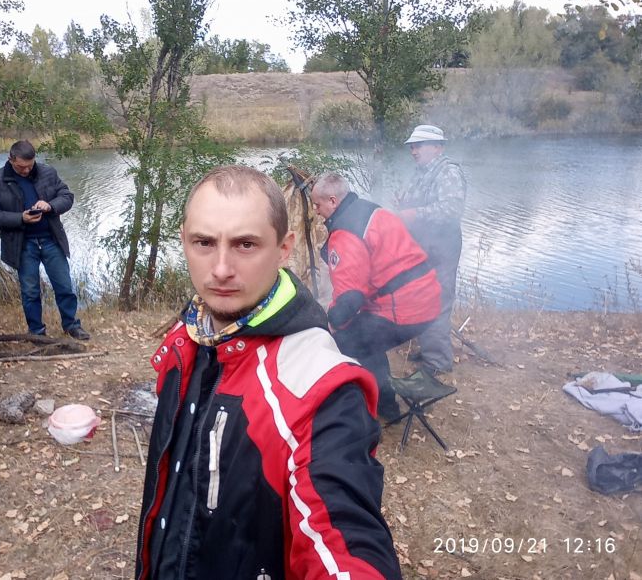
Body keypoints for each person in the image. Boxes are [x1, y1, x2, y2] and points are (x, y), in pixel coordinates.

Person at [136, 165, 401, 580]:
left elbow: (343, 542)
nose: (220, 268)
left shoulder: (318, 388)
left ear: (283, 248)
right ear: (184, 240)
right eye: (203, 242)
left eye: (245, 244)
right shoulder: (188, 338)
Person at [311, 173, 441, 422]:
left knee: (349, 341)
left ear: (333, 200)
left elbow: (350, 299)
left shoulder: (345, 233)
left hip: (405, 307)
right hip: (428, 296)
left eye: (318, 205)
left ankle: (367, 404)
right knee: (369, 339)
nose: (316, 211)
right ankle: (384, 402)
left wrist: (333, 322)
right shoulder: (372, 210)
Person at [0, 140, 90, 340]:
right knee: (30, 291)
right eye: (21, 167)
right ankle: (37, 332)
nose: (26, 170)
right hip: (22, 245)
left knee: (64, 285)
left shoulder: (47, 173)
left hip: (51, 239)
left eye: (30, 166)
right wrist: (20, 218)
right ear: (10, 159)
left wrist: (50, 205)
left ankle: (71, 325)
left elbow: (67, 196)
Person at [395, 125, 466, 376]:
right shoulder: (422, 172)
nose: (413, 151)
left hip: (442, 245)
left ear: (437, 147)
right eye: (412, 147)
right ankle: (429, 350)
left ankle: (438, 362)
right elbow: (419, 202)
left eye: (418, 146)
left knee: (437, 300)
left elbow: (451, 209)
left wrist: (414, 213)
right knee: (420, 297)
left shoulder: (448, 172)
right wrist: (403, 204)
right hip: (423, 245)